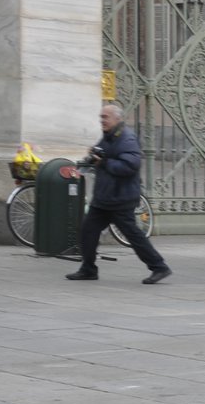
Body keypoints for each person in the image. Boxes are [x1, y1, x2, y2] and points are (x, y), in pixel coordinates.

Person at [65, 104, 172, 284]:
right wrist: (90, 158)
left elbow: (130, 166)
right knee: (88, 231)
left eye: (105, 117)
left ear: (117, 119)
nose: (102, 121)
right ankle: (88, 269)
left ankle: (159, 267)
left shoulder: (127, 138)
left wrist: (104, 163)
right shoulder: (109, 137)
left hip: (121, 197)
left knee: (133, 235)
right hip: (104, 198)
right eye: (101, 117)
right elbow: (102, 156)